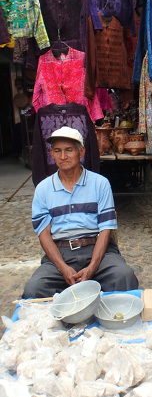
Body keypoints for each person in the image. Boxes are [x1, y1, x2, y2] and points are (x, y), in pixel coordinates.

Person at [23, 126, 138, 298]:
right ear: (51, 154)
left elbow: (106, 230)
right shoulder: (43, 188)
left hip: (98, 249)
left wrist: (92, 267)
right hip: (60, 252)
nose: (63, 156)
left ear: (81, 151)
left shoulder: (100, 183)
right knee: (34, 289)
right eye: (57, 151)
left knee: (123, 276)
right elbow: (44, 235)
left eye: (69, 150)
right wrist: (63, 268)